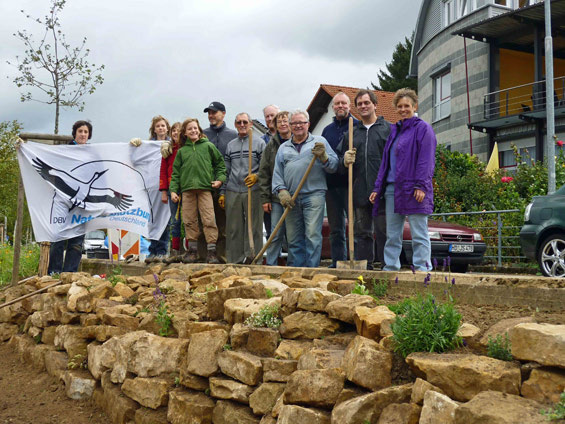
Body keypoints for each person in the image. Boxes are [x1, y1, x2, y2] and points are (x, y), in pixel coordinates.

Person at [369, 88, 437, 271]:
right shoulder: (395, 131)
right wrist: (378, 188)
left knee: (419, 233)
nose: (403, 109)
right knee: (392, 234)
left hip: (414, 189)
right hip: (393, 189)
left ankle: (423, 270)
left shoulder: (423, 129)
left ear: (414, 106)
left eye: (407, 105)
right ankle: (391, 268)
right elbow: (386, 162)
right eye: (399, 106)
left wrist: (421, 185)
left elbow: (426, 160)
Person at [272, 109, 338, 267]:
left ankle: (311, 270)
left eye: (301, 122)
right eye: (294, 123)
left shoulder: (319, 142)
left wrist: (324, 157)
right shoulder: (284, 148)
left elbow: (334, 166)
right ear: (290, 126)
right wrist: (281, 191)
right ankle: (296, 271)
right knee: (294, 238)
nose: (298, 126)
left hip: (313, 195)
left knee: (312, 236)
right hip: (291, 198)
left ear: (308, 124)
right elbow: (277, 173)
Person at [338, 89, 390, 269]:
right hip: (359, 190)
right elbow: (339, 164)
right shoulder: (351, 134)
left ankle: (387, 267)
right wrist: (344, 160)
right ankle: (365, 269)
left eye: (366, 103)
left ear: (375, 105)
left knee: (384, 231)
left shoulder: (388, 130)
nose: (363, 106)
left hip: (382, 191)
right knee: (362, 233)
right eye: (359, 104)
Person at [169, 118, 226, 264]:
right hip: (187, 191)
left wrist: (219, 179)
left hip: (205, 189)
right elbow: (175, 173)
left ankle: (212, 252)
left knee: (209, 219)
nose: (193, 131)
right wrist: (174, 191)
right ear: (185, 133)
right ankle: (192, 252)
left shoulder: (208, 146)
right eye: (190, 129)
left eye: (195, 128)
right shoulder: (182, 151)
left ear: (199, 130)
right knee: (189, 220)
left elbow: (220, 163)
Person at [47, 120, 93, 274]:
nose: (83, 134)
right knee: (57, 237)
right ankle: (54, 273)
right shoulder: (64, 151)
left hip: (81, 203)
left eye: (86, 132)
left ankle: (69, 274)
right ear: (75, 133)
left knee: (77, 242)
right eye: (80, 131)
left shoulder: (92, 154)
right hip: (62, 200)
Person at [321, 92, 359, 267]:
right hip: (331, 185)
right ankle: (338, 261)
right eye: (337, 104)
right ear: (333, 107)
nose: (340, 106)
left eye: (344, 103)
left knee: (356, 226)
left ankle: (355, 260)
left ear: (349, 106)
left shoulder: (357, 126)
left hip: (351, 184)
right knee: (336, 229)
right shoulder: (327, 131)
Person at [221, 113, 265, 264]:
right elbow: (226, 171)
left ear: (251, 123)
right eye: (239, 122)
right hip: (233, 189)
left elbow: (266, 168)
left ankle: (254, 258)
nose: (242, 124)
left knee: (254, 226)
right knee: (234, 228)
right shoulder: (231, 145)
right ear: (235, 124)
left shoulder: (259, 143)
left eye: (245, 122)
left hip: (252, 189)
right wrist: (223, 192)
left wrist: (257, 176)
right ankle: (235, 260)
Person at [131, 115, 171, 263]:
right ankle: (152, 250)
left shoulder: (172, 144)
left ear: (167, 128)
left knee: (164, 219)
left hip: (166, 186)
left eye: (163, 125)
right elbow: (135, 159)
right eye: (158, 126)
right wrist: (136, 146)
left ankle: (161, 250)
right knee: (153, 219)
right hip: (151, 186)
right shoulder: (148, 146)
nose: (161, 128)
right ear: (154, 130)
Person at [200, 101, 238, 263]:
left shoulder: (232, 135)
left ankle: (223, 258)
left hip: (226, 185)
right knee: (204, 222)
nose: (211, 115)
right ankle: (203, 257)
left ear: (223, 113)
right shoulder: (202, 134)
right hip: (204, 186)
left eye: (214, 112)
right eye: (209, 113)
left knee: (223, 225)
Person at [258, 111, 293, 266]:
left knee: (294, 235)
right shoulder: (271, 146)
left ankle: (295, 265)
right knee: (275, 234)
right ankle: (271, 265)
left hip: (296, 196)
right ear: (275, 126)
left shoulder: (299, 141)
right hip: (276, 198)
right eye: (280, 122)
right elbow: (264, 173)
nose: (283, 124)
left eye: (286, 121)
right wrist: (265, 198)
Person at [159, 122, 182, 263]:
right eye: (173, 130)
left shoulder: (187, 148)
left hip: (186, 188)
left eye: (179, 131)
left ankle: (190, 250)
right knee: (175, 221)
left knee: (190, 221)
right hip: (171, 189)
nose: (175, 133)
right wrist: (163, 190)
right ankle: (174, 251)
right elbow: (163, 170)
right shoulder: (167, 149)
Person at [261, 104, 280, 239]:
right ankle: (275, 259)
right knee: (271, 231)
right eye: (267, 116)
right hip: (268, 191)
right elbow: (262, 170)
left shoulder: (288, 136)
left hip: (286, 190)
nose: (269, 118)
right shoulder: (262, 141)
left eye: (272, 115)